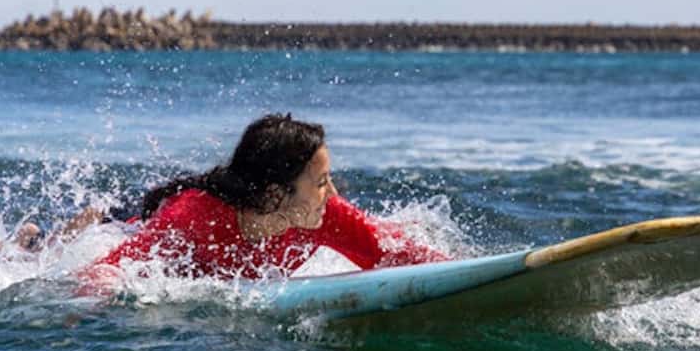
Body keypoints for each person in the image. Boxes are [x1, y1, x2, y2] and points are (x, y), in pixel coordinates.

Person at [86, 113, 447, 282]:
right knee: (95, 225)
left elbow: (396, 255)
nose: (333, 194)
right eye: (321, 182)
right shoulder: (197, 216)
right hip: (131, 223)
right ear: (277, 194)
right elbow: (111, 266)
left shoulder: (322, 216)